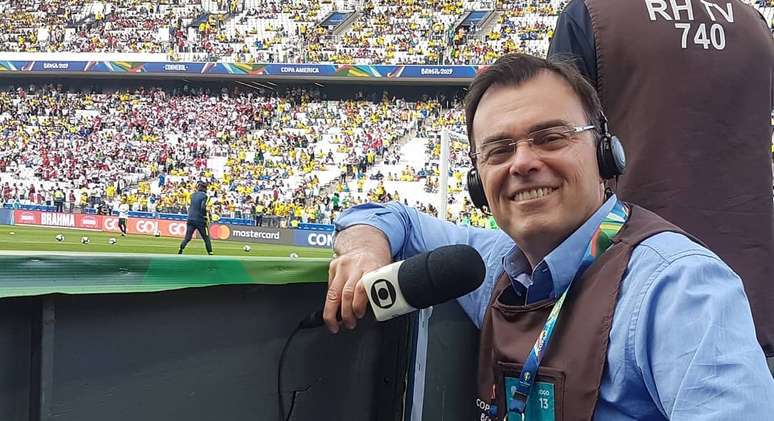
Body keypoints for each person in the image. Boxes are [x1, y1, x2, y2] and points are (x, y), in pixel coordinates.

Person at [323, 54, 774, 420]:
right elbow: (384, 215)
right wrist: (365, 248)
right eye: (499, 150)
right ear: (478, 182)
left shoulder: (680, 288)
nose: (521, 163)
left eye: (551, 137)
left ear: (604, 153)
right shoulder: (495, 263)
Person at [548, 0, 774, 357]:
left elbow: (557, 143)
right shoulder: (754, 24)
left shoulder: (592, 15)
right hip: (749, 296)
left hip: (633, 293)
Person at [178, 181, 213, 255]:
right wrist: (205, 216)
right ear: (204, 188)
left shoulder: (192, 195)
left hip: (190, 218)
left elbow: (191, 205)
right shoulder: (205, 196)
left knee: (187, 238)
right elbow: (202, 207)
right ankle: (210, 253)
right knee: (206, 238)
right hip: (200, 220)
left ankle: (181, 249)